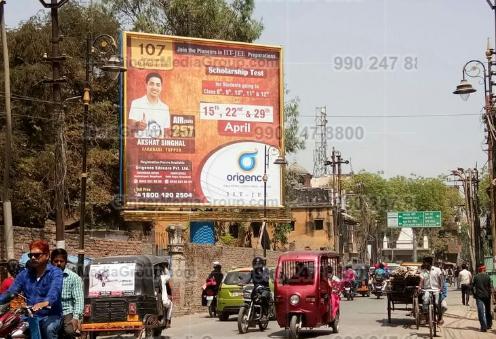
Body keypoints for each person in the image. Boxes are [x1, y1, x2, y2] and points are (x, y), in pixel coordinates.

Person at [0, 240, 63, 339]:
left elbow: (55, 291)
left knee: (48, 329)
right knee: (11, 330)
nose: (33, 257)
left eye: (37, 255)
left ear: (47, 256)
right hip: (29, 316)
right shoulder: (24, 274)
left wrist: (45, 302)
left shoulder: (56, 273)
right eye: (31, 255)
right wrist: (2, 300)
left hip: (51, 315)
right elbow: (11, 291)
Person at [51, 248, 84, 338]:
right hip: (51, 311)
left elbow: (79, 299)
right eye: (56, 261)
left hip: (67, 311)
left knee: (69, 331)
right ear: (51, 262)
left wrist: (76, 317)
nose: (58, 263)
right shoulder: (47, 276)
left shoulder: (74, 277)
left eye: (61, 261)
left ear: (65, 262)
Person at [128, 72, 170, 138]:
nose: (154, 87)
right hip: (140, 147)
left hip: (159, 147)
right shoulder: (136, 103)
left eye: (158, 85)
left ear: (161, 87)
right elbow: (130, 128)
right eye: (152, 84)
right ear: (146, 85)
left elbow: (166, 134)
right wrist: (137, 125)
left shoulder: (165, 108)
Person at [419, 256, 445, 325]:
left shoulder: (437, 270)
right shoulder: (423, 271)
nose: (424, 264)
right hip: (427, 290)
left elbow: (441, 279)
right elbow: (421, 281)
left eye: (425, 263)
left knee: (437, 303)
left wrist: (441, 287)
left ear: (429, 263)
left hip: (436, 289)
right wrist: (419, 287)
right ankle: (425, 317)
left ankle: (440, 317)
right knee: (425, 301)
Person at [472, 264, 492, 332]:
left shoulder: (476, 277)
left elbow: (472, 287)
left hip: (479, 296)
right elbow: (490, 287)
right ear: (484, 269)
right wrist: (490, 294)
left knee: (481, 311)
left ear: (479, 269)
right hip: (487, 296)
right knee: (487, 310)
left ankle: (483, 327)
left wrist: (474, 294)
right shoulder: (488, 276)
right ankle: (489, 325)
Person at [160, 262, 173, 328]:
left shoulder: (150, 278)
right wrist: (164, 267)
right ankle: (167, 321)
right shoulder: (163, 278)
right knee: (171, 304)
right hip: (163, 300)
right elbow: (169, 275)